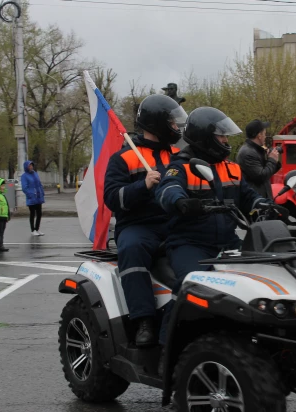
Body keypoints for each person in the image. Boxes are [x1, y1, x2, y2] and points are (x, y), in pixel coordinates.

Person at [155, 107, 269, 372]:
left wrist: (265, 205)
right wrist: (181, 202)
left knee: (261, 276)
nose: (227, 142)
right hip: (189, 243)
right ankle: (165, 349)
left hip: (227, 242)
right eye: (222, 137)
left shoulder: (231, 168)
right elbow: (167, 190)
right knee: (189, 285)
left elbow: (247, 196)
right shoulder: (180, 166)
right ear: (205, 138)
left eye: (227, 137)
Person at [103, 94, 187, 348]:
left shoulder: (179, 154)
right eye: (173, 123)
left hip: (174, 223)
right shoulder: (124, 158)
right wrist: (143, 185)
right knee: (132, 248)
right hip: (139, 226)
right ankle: (144, 321)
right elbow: (111, 198)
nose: (177, 127)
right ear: (157, 124)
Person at [236, 119, 281, 198]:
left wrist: (273, 160)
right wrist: (272, 160)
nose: (265, 137)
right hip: (255, 200)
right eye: (264, 134)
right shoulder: (248, 153)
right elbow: (261, 176)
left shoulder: (257, 150)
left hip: (262, 198)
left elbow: (268, 173)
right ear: (259, 136)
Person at [21, 160, 46, 236]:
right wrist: (30, 194)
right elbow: (24, 188)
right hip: (31, 198)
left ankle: (37, 229)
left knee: (39, 214)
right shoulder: (24, 176)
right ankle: (33, 230)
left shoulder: (35, 174)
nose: (31, 167)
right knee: (32, 214)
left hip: (38, 197)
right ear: (26, 167)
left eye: (32, 165)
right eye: (29, 166)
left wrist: (42, 192)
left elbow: (39, 184)